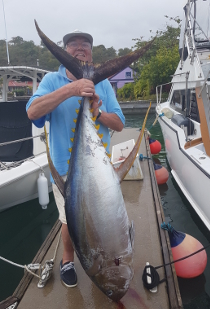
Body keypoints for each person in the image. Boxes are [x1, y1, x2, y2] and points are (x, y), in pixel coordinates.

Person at [26, 29, 125, 288]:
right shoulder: (50, 80)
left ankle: (107, 257)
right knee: (70, 220)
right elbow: (33, 113)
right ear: (65, 50)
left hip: (101, 171)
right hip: (65, 171)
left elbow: (120, 123)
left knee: (107, 218)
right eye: (72, 44)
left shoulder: (102, 84)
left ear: (91, 53)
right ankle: (67, 260)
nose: (79, 48)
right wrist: (73, 89)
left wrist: (98, 112)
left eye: (85, 45)